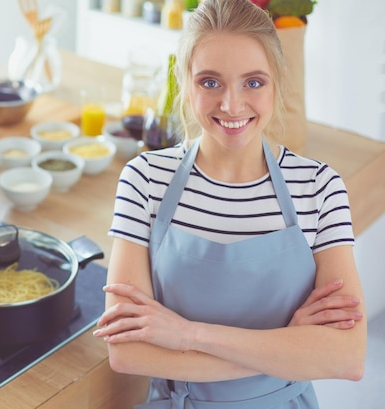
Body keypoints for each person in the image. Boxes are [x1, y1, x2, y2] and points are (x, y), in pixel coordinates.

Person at [92, 0, 367, 407]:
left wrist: (188, 335)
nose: (232, 104)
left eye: (253, 82)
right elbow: (128, 352)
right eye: (210, 82)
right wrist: (291, 349)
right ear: (184, 84)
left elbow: (346, 356)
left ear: (278, 83)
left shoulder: (319, 187)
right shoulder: (144, 180)